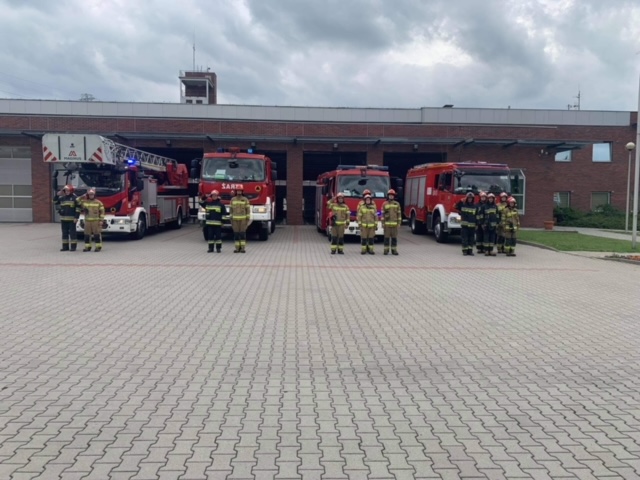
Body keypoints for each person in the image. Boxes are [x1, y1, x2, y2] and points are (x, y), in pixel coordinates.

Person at [53, 185, 81, 251]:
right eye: (65, 191)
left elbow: (78, 209)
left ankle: (73, 247)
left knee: (72, 234)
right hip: (63, 219)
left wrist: (76, 217)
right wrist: (57, 195)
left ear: (71, 191)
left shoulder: (75, 198)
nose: (67, 192)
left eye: (68, 191)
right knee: (64, 233)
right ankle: (65, 247)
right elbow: (54, 202)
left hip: (72, 220)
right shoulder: (62, 198)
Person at [230, 186, 250, 253]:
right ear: (236, 191)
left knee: (242, 234)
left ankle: (242, 248)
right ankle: (237, 248)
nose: (239, 192)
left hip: (243, 220)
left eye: (240, 190)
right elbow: (231, 209)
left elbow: (248, 209)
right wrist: (231, 218)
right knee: (236, 234)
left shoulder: (245, 199)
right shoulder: (233, 199)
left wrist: (247, 218)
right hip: (235, 220)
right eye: (238, 190)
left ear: (242, 191)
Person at [456, 192, 477, 256]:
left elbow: (476, 216)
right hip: (464, 226)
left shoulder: (475, 206)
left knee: (471, 239)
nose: (470, 199)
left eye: (471, 198)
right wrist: (460, 201)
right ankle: (465, 251)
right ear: (466, 198)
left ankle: (470, 251)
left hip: (472, 226)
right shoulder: (463, 205)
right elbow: (455, 206)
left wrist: (477, 224)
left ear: (472, 199)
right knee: (465, 239)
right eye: (469, 198)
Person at [381, 189, 401, 255]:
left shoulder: (397, 204)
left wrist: (399, 223)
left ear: (394, 196)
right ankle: (386, 250)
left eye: (392, 195)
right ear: (388, 196)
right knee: (386, 238)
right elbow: (382, 214)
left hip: (395, 225)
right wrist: (382, 223)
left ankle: (394, 250)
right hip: (387, 225)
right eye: (390, 195)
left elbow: (399, 214)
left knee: (394, 238)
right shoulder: (384, 204)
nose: (391, 196)